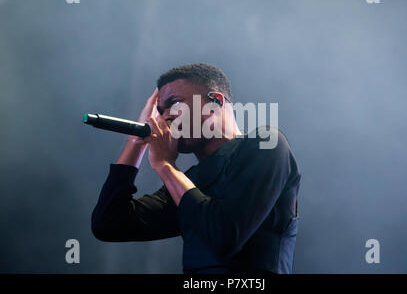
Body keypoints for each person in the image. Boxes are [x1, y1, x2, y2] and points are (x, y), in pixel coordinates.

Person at [91, 63, 301, 274]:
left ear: (216, 102)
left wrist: (165, 165)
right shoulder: (191, 181)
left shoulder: (266, 144)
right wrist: (136, 142)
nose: (164, 118)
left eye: (174, 104)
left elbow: (224, 238)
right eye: (160, 112)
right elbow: (109, 224)